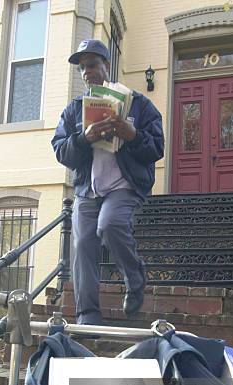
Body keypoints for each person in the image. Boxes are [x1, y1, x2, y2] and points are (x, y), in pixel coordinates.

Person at [52, 39, 164, 326]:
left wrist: (132, 134)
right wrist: (83, 137)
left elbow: (157, 148)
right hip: (88, 190)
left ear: (106, 65)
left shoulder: (138, 103)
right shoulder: (74, 109)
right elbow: (61, 150)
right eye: (82, 68)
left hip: (124, 186)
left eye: (91, 65)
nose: (87, 72)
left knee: (110, 224)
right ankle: (87, 317)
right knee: (83, 244)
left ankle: (134, 277)